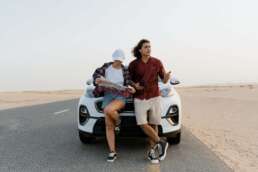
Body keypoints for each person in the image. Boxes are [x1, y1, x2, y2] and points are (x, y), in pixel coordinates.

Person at [128, 39, 171, 164]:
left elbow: (163, 80)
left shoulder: (157, 62)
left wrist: (167, 76)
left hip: (154, 96)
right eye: (146, 47)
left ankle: (152, 151)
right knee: (142, 123)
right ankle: (161, 142)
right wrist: (135, 85)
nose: (149, 49)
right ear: (140, 50)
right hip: (140, 97)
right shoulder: (133, 64)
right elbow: (128, 79)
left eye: (150, 47)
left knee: (154, 123)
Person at [92, 49, 135, 162]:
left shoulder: (125, 69)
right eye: (116, 60)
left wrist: (130, 87)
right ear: (113, 58)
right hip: (107, 95)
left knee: (107, 109)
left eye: (120, 61)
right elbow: (96, 74)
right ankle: (112, 152)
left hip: (120, 96)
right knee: (108, 125)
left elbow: (129, 82)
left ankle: (118, 121)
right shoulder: (106, 67)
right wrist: (97, 79)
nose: (118, 63)